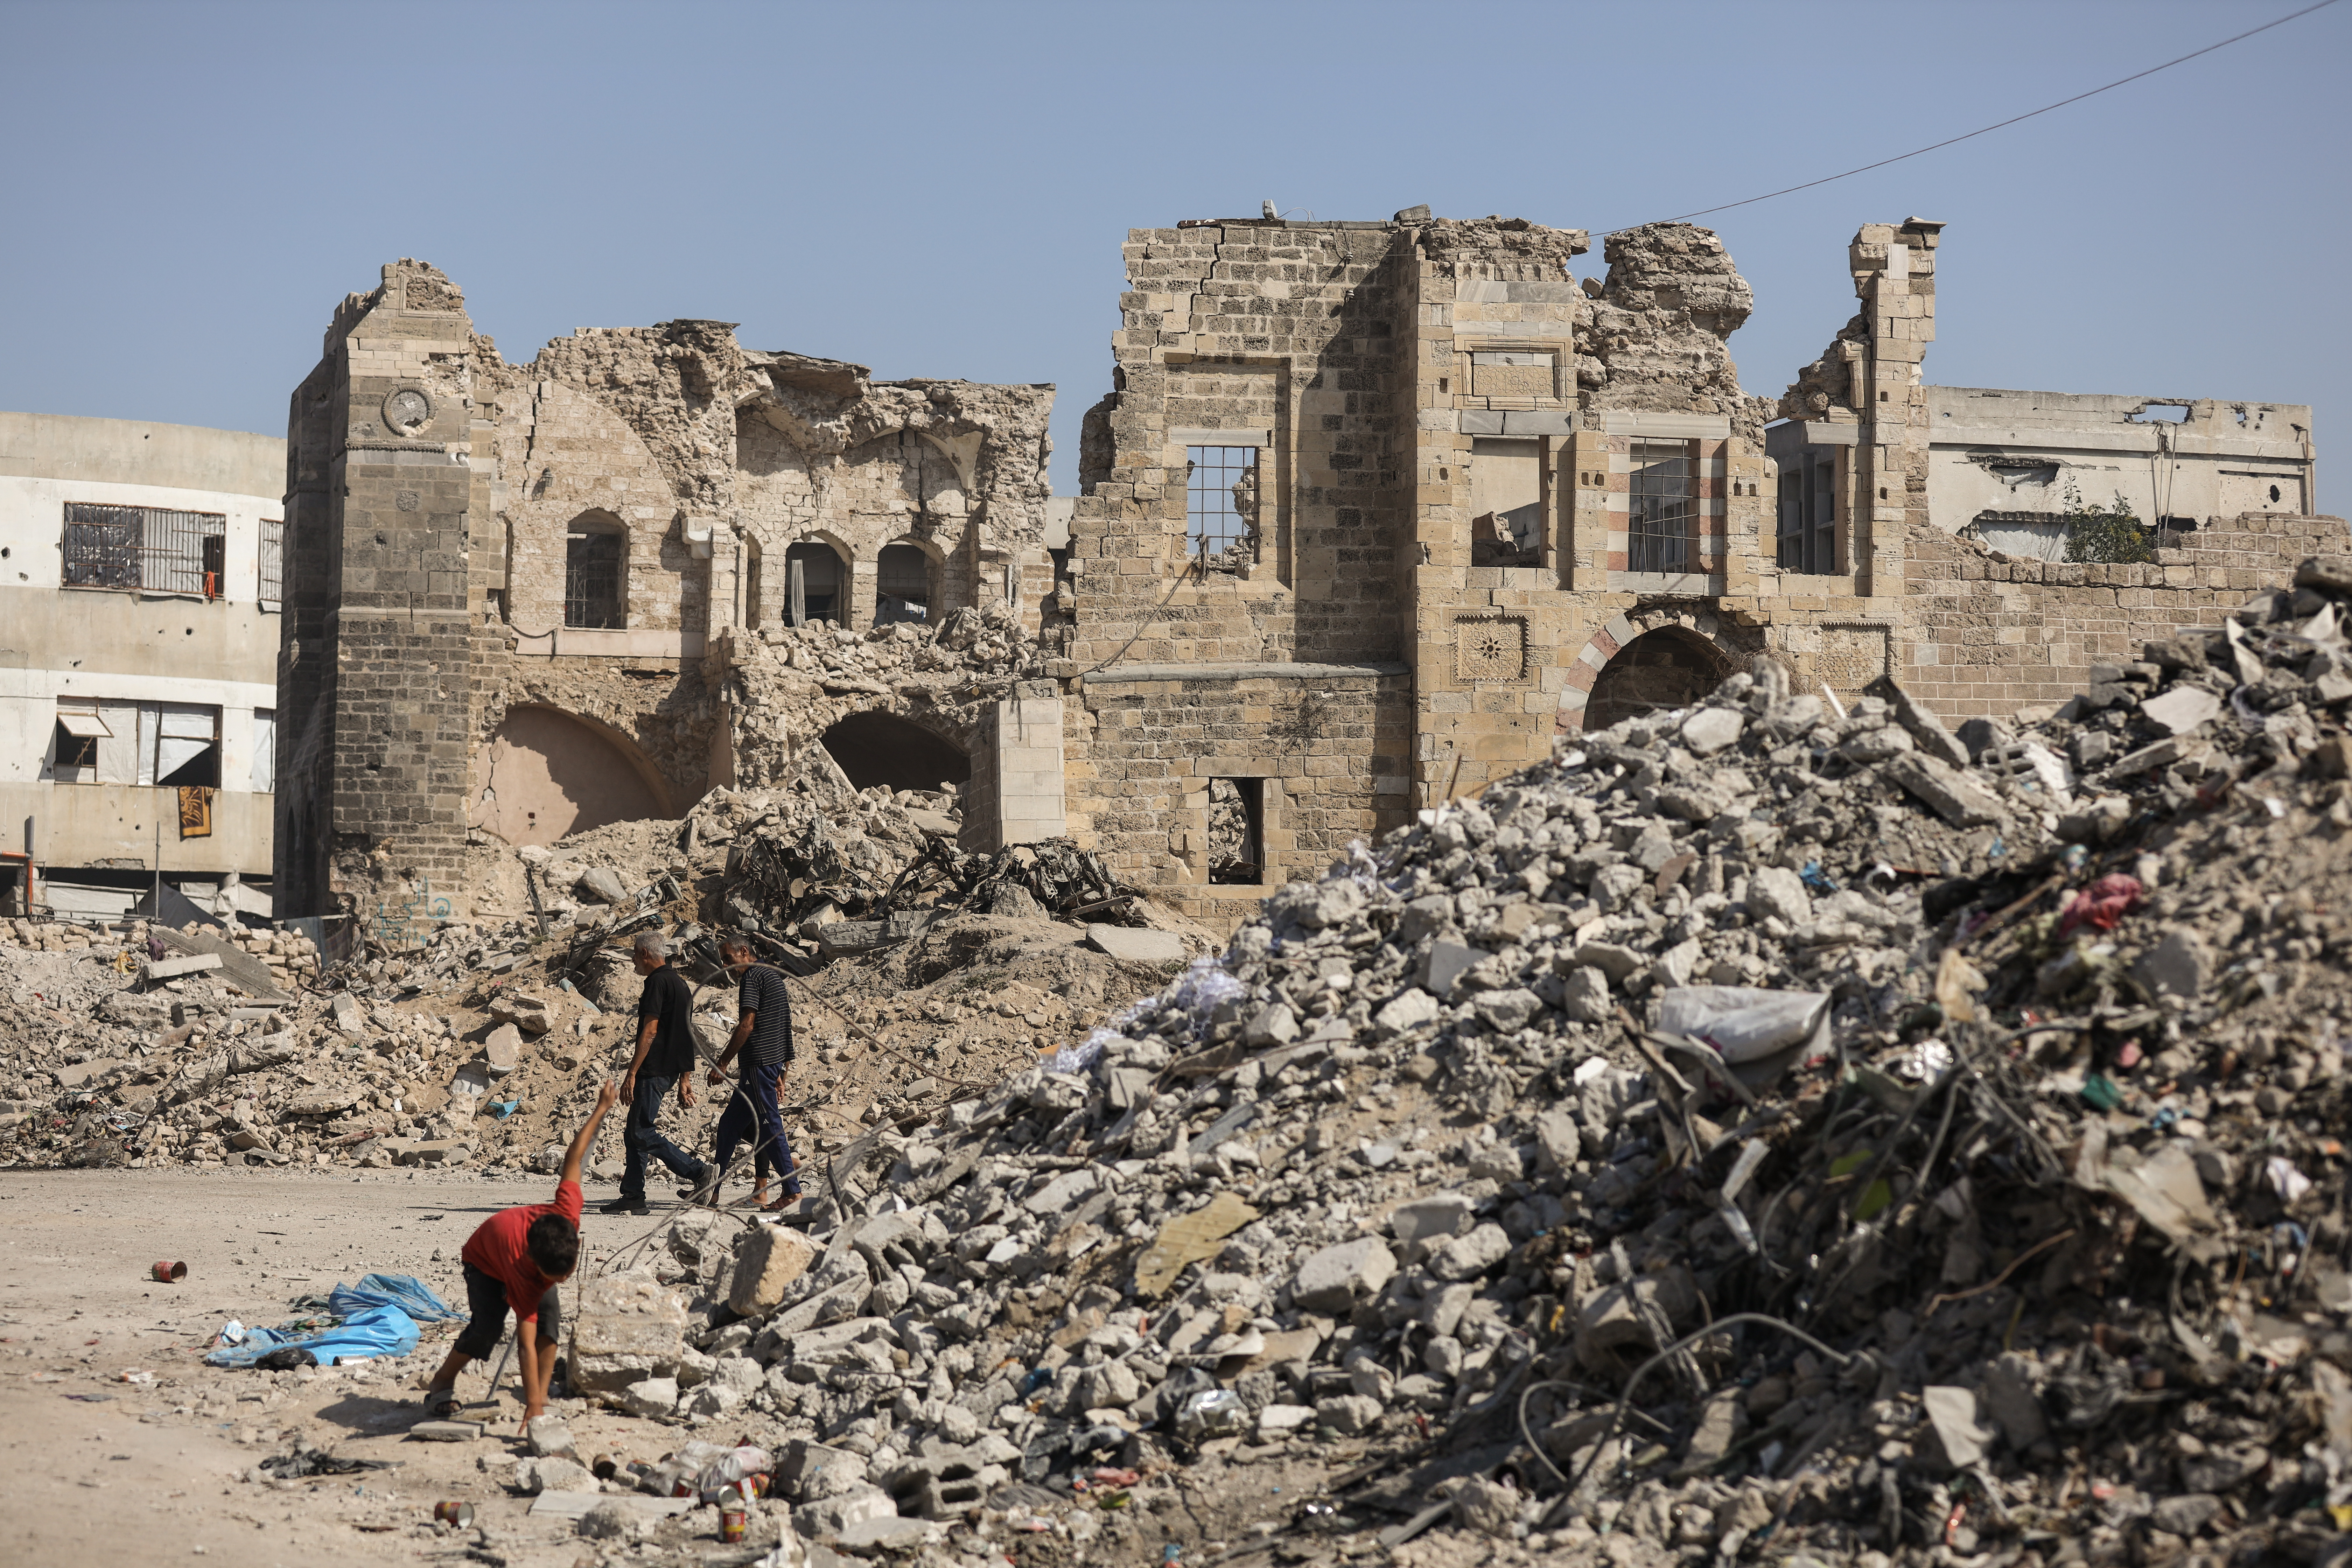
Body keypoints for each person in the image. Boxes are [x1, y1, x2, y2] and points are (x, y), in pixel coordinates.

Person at [423, 1078, 617, 1428]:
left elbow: (574, 1156)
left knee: (551, 1320)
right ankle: (442, 1383)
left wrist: (601, 1109)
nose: (557, 1283)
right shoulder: (522, 1271)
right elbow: (525, 1348)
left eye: (565, 1275)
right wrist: (530, 1409)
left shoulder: (567, 1213)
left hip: (530, 1252)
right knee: (488, 1328)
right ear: (535, 1265)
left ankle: (540, 1399)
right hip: (484, 1259)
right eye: (550, 1280)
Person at [601, 930, 713, 1217]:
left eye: (634, 954)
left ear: (645, 954)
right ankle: (633, 1195)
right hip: (669, 1070)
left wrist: (632, 1073)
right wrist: (685, 1078)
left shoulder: (656, 984)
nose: (633, 961)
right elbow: (688, 1035)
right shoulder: (680, 984)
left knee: (641, 1131)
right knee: (634, 1132)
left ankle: (699, 1172)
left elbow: (650, 1032)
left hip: (653, 1070)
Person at [707, 933, 803, 1212]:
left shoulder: (753, 977)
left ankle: (793, 1192)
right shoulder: (772, 975)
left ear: (745, 952)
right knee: (728, 1126)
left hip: (759, 1064)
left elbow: (747, 1025)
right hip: (765, 1066)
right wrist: (783, 1072)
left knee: (770, 1125)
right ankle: (711, 1192)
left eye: (728, 959)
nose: (725, 966)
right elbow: (785, 1025)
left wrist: (722, 1063)